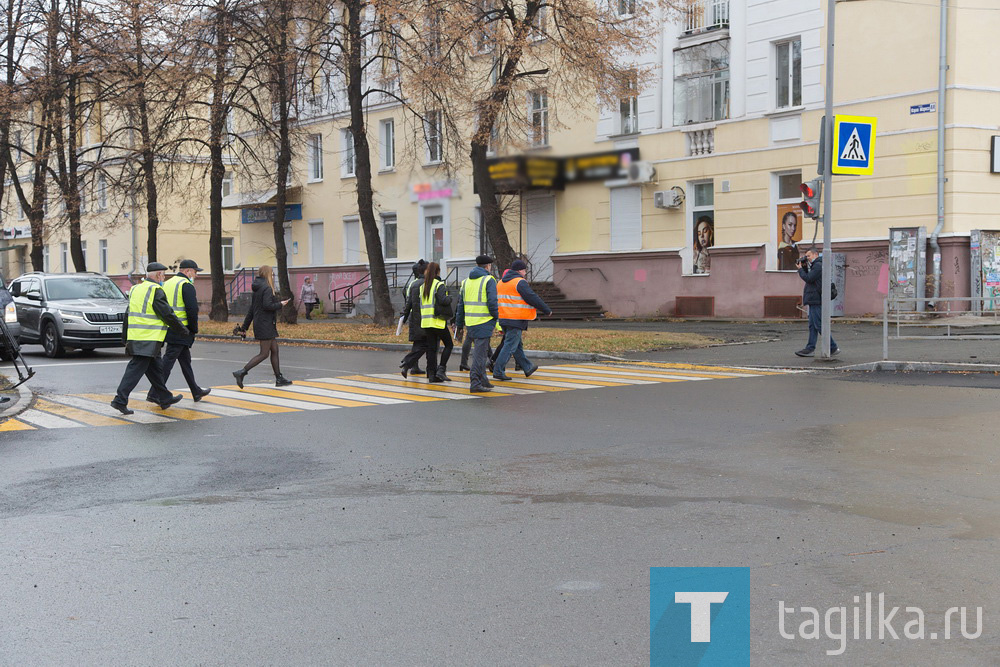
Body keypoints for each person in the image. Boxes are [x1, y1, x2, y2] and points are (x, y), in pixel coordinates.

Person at [111, 262, 190, 415]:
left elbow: (128, 314)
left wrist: (124, 336)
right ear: (159, 275)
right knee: (135, 369)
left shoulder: (135, 289)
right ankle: (119, 400)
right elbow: (167, 314)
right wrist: (182, 330)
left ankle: (165, 398)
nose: (164, 278)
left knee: (156, 369)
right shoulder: (156, 290)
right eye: (163, 275)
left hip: (137, 336)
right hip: (148, 337)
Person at [146, 259, 210, 404]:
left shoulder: (167, 283)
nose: (196, 275)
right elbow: (192, 310)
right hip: (182, 329)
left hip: (170, 328)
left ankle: (196, 391)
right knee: (168, 362)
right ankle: (154, 393)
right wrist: (193, 329)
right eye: (195, 272)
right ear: (187, 271)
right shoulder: (186, 285)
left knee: (185, 361)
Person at [233, 265, 293, 388]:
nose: (272, 276)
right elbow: (267, 305)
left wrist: (245, 327)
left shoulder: (258, 287)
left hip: (264, 324)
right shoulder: (266, 288)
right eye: (271, 274)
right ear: (267, 274)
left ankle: (279, 378)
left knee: (275, 350)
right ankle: (242, 372)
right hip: (265, 324)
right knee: (264, 353)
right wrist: (280, 304)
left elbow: (252, 310)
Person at [493, 259, 551, 381]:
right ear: (520, 270)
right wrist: (546, 310)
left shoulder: (500, 283)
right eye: (524, 270)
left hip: (504, 318)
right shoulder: (519, 282)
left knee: (517, 346)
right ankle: (497, 370)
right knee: (510, 346)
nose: (525, 273)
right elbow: (532, 297)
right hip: (515, 319)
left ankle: (527, 367)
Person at [455, 255, 499, 393]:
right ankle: (475, 382)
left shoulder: (466, 281)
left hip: (471, 323)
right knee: (480, 356)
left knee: (483, 351)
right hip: (484, 321)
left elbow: (460, 306)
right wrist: (498, 318)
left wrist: (459, 324)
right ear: (488, 266)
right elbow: (492, 303)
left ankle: (483, 380)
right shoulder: (489, 280)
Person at [795, 248, 840, 357]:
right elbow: (810, 277)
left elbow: (809, 278)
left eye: (809, 256)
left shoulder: (818, 265)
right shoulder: (816, 265)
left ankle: (833, 347)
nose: (807, 258)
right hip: (814, 298)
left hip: (816, 298)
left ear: (815, 254)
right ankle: (810, 348)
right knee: (812, 325)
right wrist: (805, 267)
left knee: (818, 324)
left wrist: (801, 269)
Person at [419, 261, 454, 383]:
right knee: (449, 345)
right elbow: (443, 300)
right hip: (437, 321)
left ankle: (432, 375)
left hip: (426, 322)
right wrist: (450, 298)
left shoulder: (423, 286)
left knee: (432, 349)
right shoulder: (439, 284)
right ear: (438, 271)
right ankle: (441, 369)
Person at [399, 260, 428, 377]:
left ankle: (414, 366)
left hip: (413, 316)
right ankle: (413, 364)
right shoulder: (420, 284)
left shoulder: (413, 283)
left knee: (418, 343)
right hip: (419, 316)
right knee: (426, 344)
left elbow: (407, 302)